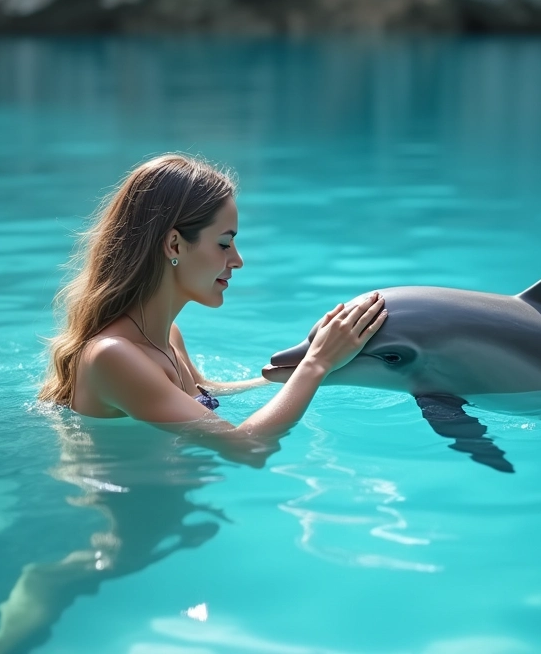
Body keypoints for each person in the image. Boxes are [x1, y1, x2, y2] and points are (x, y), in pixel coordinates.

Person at [38, 153, 387, 465]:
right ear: (174, 244)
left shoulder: (166, 336)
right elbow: (246, 447)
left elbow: (207, 392)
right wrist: (317, 364)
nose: (237, 260)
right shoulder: (114, 356)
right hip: (144, 528)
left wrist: (310, 365)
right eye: (224, 243)